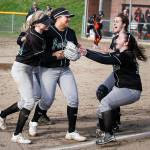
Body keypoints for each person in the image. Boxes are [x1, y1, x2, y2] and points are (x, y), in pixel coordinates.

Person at [28, 7, 87, 142]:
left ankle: (71, 131)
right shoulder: (47, 32)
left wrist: (78, 51)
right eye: (66, 17)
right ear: (58, 18)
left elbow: (76, 46)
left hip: (65, 70)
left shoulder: (71, 32)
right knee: (47, 100)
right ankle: (34, 121)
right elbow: (41, 56)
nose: (69, 19)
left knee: (73, 98)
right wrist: (55, 55)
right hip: (48, 69)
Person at [80, 31, 147, 145]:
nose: (116, 40)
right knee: (102, 108)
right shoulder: (122, 54)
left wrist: (86, 53)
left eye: (119, 38)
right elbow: (107, 56)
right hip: (122, 87)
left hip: (131, 90)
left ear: (126, 43)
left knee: (105, 103)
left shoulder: (126, 55)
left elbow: (104, 59)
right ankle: (104, 131)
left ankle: (109, 135)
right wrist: (87, 51)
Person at [0, 11, 50, 144]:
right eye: (46, 22)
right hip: (21, 69)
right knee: (29, 101)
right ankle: (17, 134)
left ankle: (2, 115)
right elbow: (43, 58)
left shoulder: (37, 33)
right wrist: (59, 55)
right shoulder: (33, 36)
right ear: (38, 24)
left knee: (24, 102)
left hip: (28, 69)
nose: (48, 24)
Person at [95, 13, 130, 136]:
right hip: (115, 72)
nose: (114, 23)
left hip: (125, 75)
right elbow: (114, 55)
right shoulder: (115, 38)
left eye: (117, 21)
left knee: (108, 95)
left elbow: (125, 56)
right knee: (102, 92)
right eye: (114, 21)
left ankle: (113, 123)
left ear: (124, 24)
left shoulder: (128, 38)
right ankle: (114, 118)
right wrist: (108, 52)